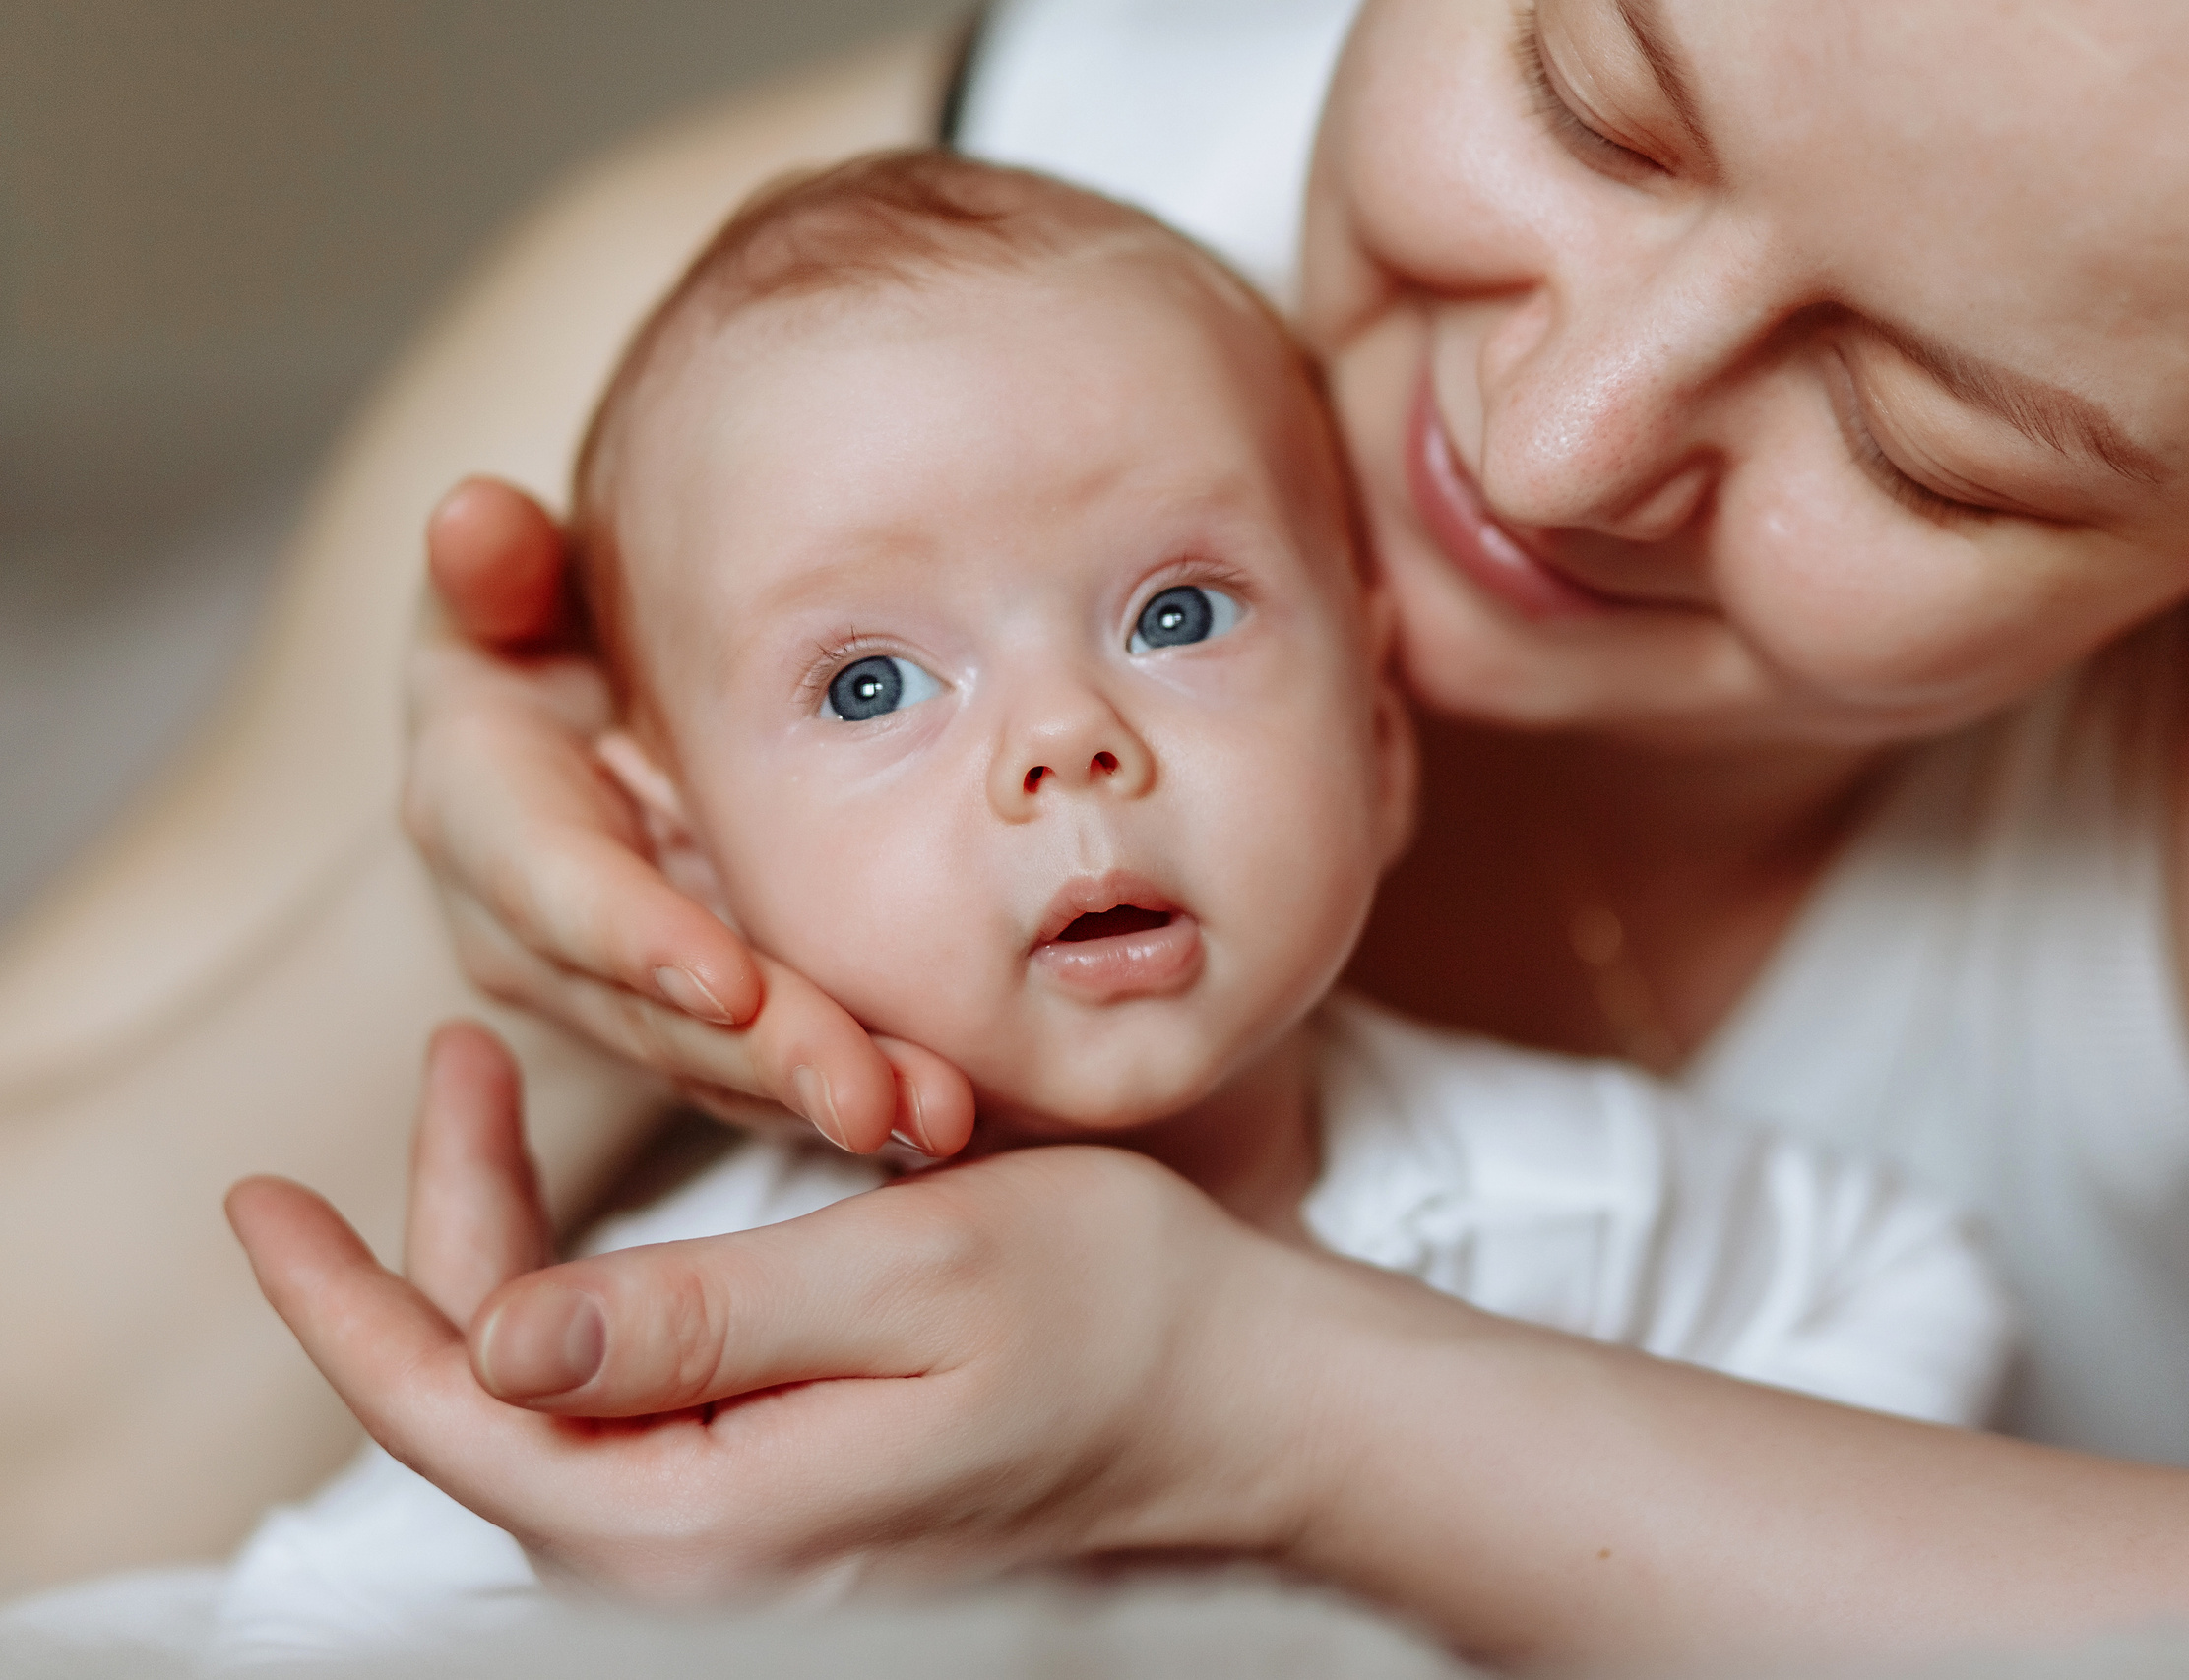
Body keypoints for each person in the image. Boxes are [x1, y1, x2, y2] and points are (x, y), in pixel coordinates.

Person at [5, 0, 2189, 1668]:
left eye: (1924, 436)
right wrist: (542, 952)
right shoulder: (832, 292)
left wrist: (1274, 1402)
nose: (1545, 443)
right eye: (1590, 95)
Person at [209, 149, 2010, 1664]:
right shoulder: (703, 1336)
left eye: (1176, 615)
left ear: (1380, 740)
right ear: (682, 864)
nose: (1067, 743)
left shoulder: (1559, 1204)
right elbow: (274, 1621)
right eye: (869, 686)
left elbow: (1910, 1294)